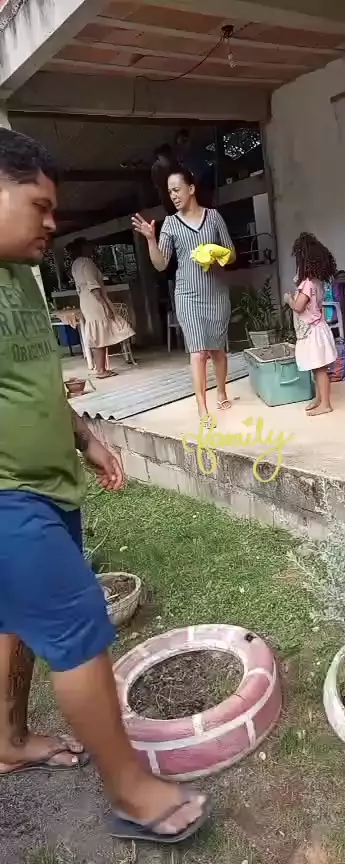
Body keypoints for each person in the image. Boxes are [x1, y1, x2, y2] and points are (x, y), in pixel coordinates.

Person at [0, 128, 209, 844]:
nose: (52, 221)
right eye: (38, 205)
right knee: (77, 623)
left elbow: (31, 378)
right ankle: (132, 792)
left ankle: (8, 739)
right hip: (7, 497)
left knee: (15, 623)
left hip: (47, 484)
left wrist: (84, 437)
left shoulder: (20, 277)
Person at [132, 168, 235, 419]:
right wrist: (151, 240)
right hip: (188, 294)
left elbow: (231, 253)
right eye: (170, 192)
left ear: (191, 188)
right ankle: (202, 406)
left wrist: (216, 253)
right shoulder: (170, 224)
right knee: (198, 351)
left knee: (217, 350)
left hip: (216, 293)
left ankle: (221, 392)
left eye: (177, 190)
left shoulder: (213, 217)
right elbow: (161, 264)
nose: (173, 196)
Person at [284, 232, 337, 416]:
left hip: (312, 332)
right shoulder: (317, 282)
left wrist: (289, 300)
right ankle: (319, 398)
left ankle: (326, 404)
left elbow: (299, 307)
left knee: (320, 369)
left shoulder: (307, 284)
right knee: (317, 367)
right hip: (317, 329)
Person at [69, 238, 135, 379]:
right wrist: (104, 304)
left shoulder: (75, 264)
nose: (91, 248)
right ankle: (101, 370)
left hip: (85, 300)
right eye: (88, 246)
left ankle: (101, 368)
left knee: (98, 333)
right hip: (94, 300)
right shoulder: (86, 262)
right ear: (83, 248)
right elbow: (93, 285)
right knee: (100, 333)